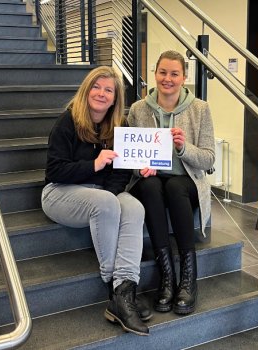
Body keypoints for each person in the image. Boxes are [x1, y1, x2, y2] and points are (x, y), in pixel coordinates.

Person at [41, 66, 150, 336]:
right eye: (96, 87)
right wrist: (95, 165)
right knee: (105, 203)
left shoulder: (119, 127)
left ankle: (125, 289)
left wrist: (111, 196)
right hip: (60, 192)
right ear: (87, 90)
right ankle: (116, 290)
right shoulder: (67, 122)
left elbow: (122, 172)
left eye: (108, 90)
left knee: (133, 206)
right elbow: (54, 171)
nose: (101, 93)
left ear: (115, 99)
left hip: (101, 194)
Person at [126, 50, 215, 315]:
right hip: (150, 180)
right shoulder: (138, 109)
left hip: (186, 181)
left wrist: (183, 148)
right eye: (163, 72)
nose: (168, 79)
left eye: (174, 73)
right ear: (154, 74)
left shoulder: (200, 109)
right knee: (152, 186)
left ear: (184, 77)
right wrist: (139, 168)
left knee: (175, 187)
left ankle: (188, 278)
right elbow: (129, 154)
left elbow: (209, 158)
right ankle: (167, 277)